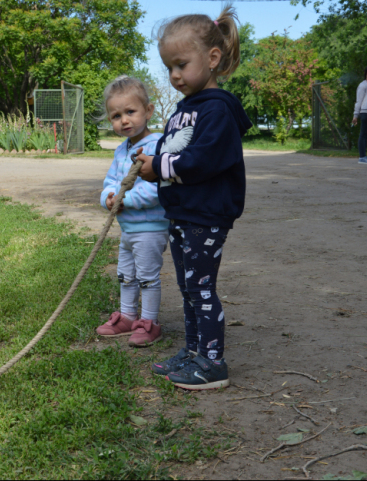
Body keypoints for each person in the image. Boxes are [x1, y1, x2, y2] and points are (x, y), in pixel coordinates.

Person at [134, 7, 253, 390]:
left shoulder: (217, 110)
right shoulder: (187, 109)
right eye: (169, 67)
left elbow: (202, 161)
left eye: (181, 64)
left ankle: (213, 362)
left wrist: (160, 166)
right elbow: (174, 151)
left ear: (212, 59)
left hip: (206, 215)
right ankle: (193, 351)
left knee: (201, 288)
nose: (173, 76)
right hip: (183, 215)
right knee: (188, 288)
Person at [96, 76, 168, 347]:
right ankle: (127, 316)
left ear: (148, 111)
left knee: (147, 276)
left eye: (130, 112)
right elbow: (111, 181)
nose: (124, 120)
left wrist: (128, 200)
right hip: (128, 229)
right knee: (126, 273)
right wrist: (109, 198)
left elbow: (158, 187)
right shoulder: (120, 150)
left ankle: (149, 322)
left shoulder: (158, 145)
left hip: (151, 228)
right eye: (116, 115)